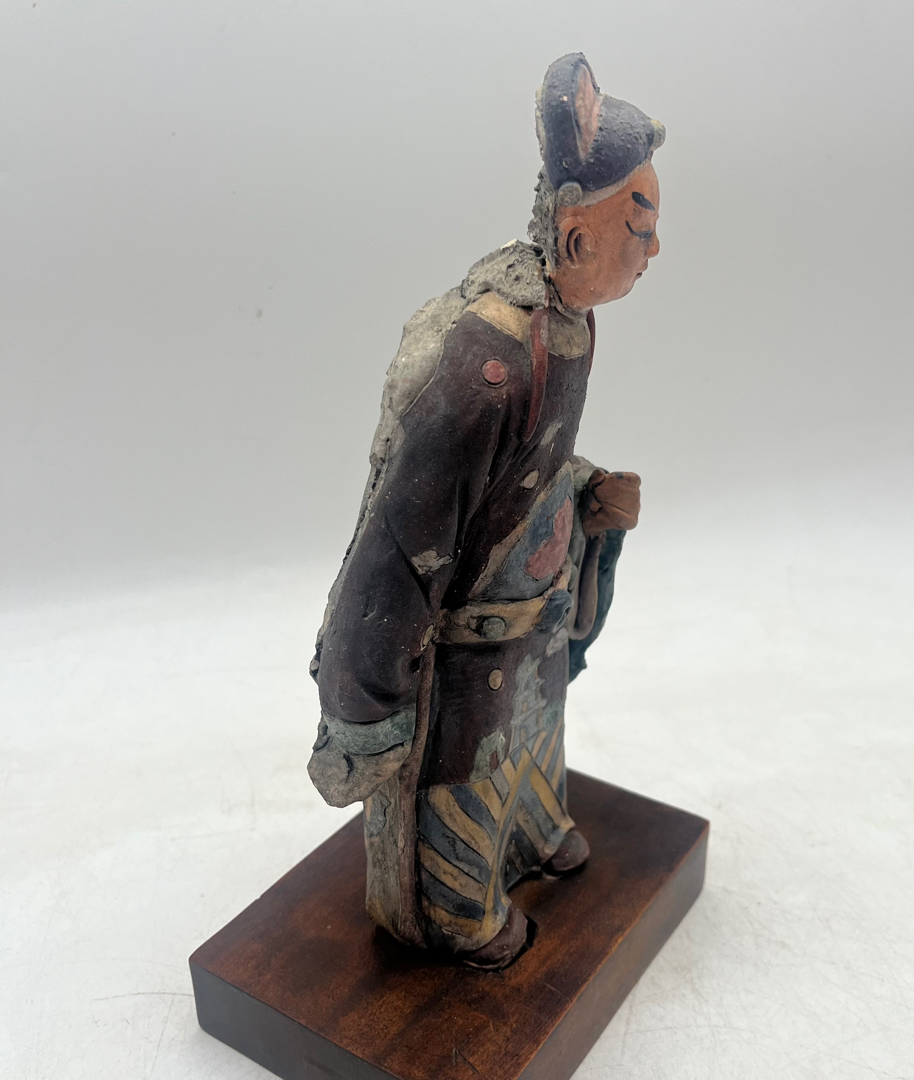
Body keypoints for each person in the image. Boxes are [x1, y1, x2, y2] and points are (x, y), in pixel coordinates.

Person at [307, 53, 664, 970]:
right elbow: (401, 545)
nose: (655, 248)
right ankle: (455, 912)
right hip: (471, 643)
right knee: (464, 772)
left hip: (532, 620)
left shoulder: (572, 325)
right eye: (640, 224)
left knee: (536, 743)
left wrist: (586, 495)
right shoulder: (487, 366)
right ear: (576, 237)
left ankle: (535, 838)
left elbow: (527, 471)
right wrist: (367, 703)